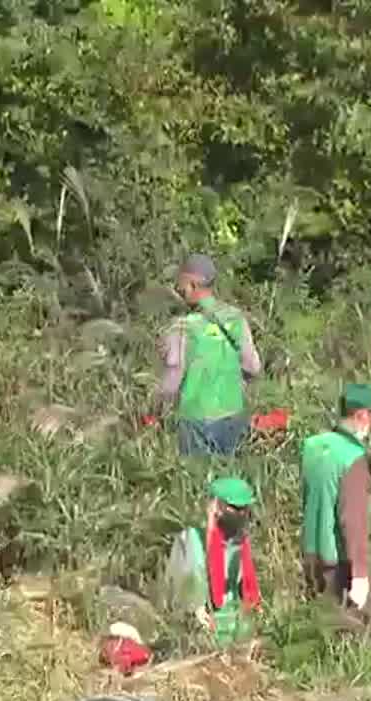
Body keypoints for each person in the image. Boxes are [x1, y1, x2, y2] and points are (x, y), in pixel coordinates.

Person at [299, 384, 371, 636]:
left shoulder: (312, 446)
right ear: (361, 416)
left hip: (311, 555)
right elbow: (351, 521)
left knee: (324, 625)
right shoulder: (353, 458)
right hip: (338, 562)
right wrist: (359, 575)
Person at [153, 253, 264, 457]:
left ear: (193, 285)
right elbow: (253, 367)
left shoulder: (182, 326)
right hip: (234, 417)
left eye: (182, 285)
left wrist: (157, 411)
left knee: (197, 482)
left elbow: (172, 378)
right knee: (228, 478)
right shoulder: (236, 318)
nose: (179, 290)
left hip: (196, 421)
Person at [162, 476, 263, 646]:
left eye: (244, 508)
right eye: (235, 508)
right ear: (218, 506)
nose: (241, 514)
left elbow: (246, 584)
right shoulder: (193, 539)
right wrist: (197, 608)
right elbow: (192, 577)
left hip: (231, 612)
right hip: (200, 613)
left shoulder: (239, 540)